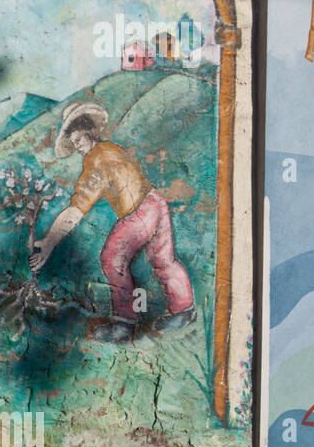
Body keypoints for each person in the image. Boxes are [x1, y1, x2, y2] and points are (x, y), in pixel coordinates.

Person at [29, 102, 196, 342]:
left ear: (88, 132)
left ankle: (125, 322)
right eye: (74, 143)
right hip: (155, 202)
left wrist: (49, 242)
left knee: (112, 258)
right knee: (163, 259)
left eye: (78, 140)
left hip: (139, 212)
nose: (77, 147)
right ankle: (184, 309)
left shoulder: (97, 160)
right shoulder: (110, 149)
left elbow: (77, 209)